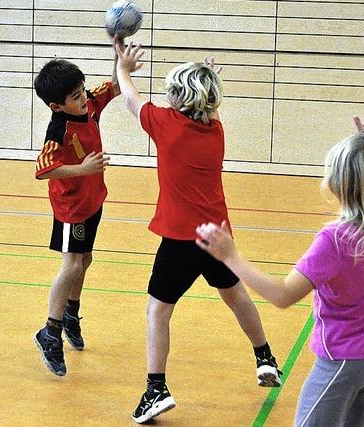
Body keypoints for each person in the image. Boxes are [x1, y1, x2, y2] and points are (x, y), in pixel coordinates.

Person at [196, 98, 364, 426]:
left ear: (346, 183)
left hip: (341, 361)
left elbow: (283, 295)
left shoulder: (336, 240)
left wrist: (231, 256)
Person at [114, 41, 282, 424]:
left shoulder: (165, 124)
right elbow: (207, 105)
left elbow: (130, 98)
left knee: (158, 310)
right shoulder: (215, 131)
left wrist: (123, 67)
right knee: (236, 297)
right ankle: (264, 358)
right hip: (217, 238)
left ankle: (156, 388)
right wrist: (208, 81)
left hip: (179, 238)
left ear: (177, 98)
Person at [32, 50, 120, 376]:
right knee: (71, 264)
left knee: (85, 260)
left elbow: (113, 86)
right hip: (72, 209)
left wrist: (121, 60)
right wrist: (81, 169)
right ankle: (50, 332)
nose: (83, 98)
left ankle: (70, 313)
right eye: (74, 96)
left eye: (82, 91)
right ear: (56, 105)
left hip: (93, 200)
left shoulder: (90, 105)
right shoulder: (58, 130)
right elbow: (44, 170)